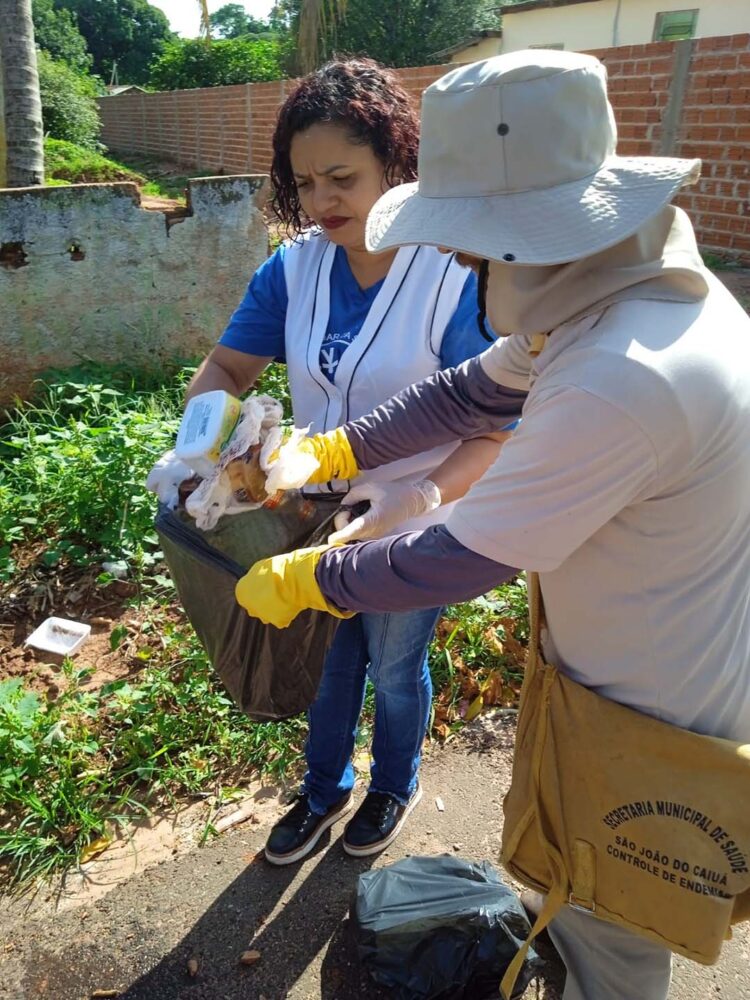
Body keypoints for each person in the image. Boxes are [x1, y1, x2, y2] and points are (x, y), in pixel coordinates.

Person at [235, 51, 750, 999]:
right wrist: (339, 452)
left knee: (612, 927)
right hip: (613, 657)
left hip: (652, 704)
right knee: (575, 890)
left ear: (523, 233)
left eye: (471, 246)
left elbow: (462, 556)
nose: (463, 264)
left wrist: (315, 579)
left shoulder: (622, 375)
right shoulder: (611, 289)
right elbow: (468, 392)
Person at [183, 59, 513, 866]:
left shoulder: (452, 275)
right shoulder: (293, 270)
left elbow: (495, 426)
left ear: (397, 165)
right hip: (307, 509)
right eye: (304, 182)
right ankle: (322, 788)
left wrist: (423, 493)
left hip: (415, 517)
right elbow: (227, 371)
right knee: (326, 666)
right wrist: (200, 446)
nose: (322, 201)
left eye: (342, 177)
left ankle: (392, 783)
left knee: (396, 667)